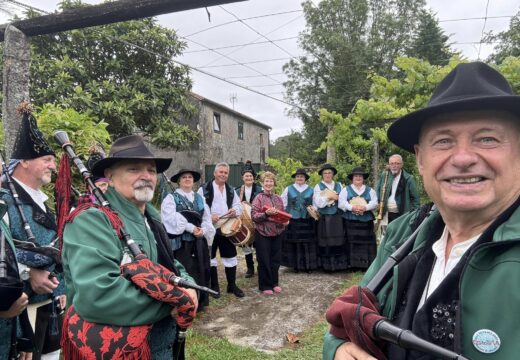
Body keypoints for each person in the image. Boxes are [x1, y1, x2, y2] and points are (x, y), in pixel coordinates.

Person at [324, 62, 520, 360]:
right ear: (421, 159)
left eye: (487, 138)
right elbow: (347, 319)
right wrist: (338, 350)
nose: (463, 157)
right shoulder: (405, 231)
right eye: (443, 141)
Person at [61, 135, 198, 359]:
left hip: (162, 345)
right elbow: (98, 295)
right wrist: (176, 301)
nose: (146, 176)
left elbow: (170, 266)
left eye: (151, 170)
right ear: (110, 177)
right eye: (134, 169)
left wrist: (189, 286)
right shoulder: (91, 221)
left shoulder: (152, 219)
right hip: (117, 349)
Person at [0, 107, 65, 360]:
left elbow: (54, 248)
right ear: (25, 162)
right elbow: (5, 250)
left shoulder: (43, 201)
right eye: (47, 160)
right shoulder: (4, 200)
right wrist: (29, 272)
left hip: (49, 305)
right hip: (17, 310)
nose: (53, 165)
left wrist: (61, 290)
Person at [161, 169, 215, 311]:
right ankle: (186, 303)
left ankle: (201, 302)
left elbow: (206, 217)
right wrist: (191, 229)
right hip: (182, 243)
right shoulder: (171, 198)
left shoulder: (199, 198)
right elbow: (170, 219)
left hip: (199, 241)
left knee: (201, 269)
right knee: (185, 270)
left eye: (190, 177)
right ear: (179, 181)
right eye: (184, 177)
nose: (187, 179)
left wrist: (203, 229)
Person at [198, 162, 245, 298]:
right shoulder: (204, 189)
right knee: (211, 257)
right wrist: (209, 216)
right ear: (215, 173)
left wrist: (234, 211)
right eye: (221, 172)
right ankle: (214, 286)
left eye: (225, 173)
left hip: (226, 228)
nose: (223, 174)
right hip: (210, 228)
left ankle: (232, 285)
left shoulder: (231, 190)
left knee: (230, 256)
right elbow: (199, 205)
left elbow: (239, 206)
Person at [251, 171, 288, 295]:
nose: (269, 183)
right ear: (262, 183)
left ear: (274, 183)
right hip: (262, 233)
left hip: (278, 232)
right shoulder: (258, 198)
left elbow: (282, 214)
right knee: (264, 259)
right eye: (266, 181)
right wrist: (266, 214)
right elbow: (254, 216)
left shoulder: (278, 198)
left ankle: (274, 283)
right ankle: (265, 285)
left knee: (276, 259)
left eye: (271, 181)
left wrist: (285, 221)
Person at [338, 167, 378, 270]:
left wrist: (365, 207)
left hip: (366, 220)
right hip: (350, 219)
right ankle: (352, 264)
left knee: (366, 242)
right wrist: (352, 207)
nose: (358, 178)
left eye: (360, 176)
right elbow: (341, 203)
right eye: (356, 176)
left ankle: (366, 264)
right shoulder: (346, 190)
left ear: (363, 178)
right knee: (351, 241)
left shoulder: (370, 190)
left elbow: (374, 202)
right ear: (352, 178)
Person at [281, 168, 318, 273]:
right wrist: (284, 216)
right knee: (295, 242)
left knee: (307, 243)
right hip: (293, 220)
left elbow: (315, 204)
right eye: (297, 176)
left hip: (307, 220)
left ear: (305, 178)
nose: (299, 178)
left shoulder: (311, 189)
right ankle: (296, 266)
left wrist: (313, 210)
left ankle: (307, 266)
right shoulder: (288, 189)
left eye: (302, 176)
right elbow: (283, 203)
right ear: (295, 178)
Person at [313, 163, 346, 271]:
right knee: (325, 241)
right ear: (322, 175)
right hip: (325, 217)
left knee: (337, 240)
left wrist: (337, 198)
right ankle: (326, 265)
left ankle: (338, 265)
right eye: (325, 173)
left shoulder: (339, 185)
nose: (327, 175)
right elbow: (318, 203)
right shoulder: (318, 186)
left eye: (329, 173)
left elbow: (342, 200)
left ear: (333, 174)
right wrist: (329, 197)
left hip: (337, 216)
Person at [235, 161, 262, 278]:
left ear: (253, 177)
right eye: (246, 176)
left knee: (259, 245)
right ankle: (250, 268)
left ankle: (261, 267)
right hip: (244, 222)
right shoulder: (237, 190)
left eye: (250, 176)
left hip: (258, 221)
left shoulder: (260, 189)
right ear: (243, 178)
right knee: (246, 245)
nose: (249, 178)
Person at [376, 154, 420, 224]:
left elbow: (415, 200)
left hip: (402, 215)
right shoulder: (384, 176)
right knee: (385, 234)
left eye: (397, 163)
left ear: (401, 165)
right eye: (392, 163)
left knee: (399, 234)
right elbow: (378, 191)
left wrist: (413, 215)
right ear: (389, 165)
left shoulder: (408, 178)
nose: (394, 166)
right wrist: (378, 206)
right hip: (385, 214)